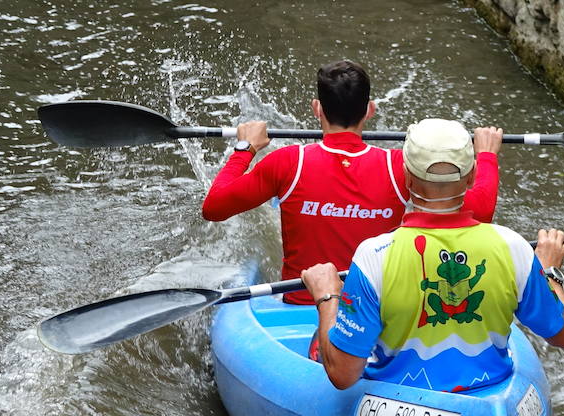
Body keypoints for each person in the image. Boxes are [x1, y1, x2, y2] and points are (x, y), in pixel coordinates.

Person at [300, 118, 564, 392]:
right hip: (485, 397)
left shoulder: (373, 256)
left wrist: (327, 296)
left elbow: (342, 374)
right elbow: (563, 335)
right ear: (471, 177)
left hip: (397, 404)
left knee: (319, 340)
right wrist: (549, 272)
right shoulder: (514, 246)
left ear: (406, 177)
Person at [202, 60, 503, 303]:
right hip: (372, 307)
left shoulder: (288, 162)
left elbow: (214, 207)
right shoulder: (399, 165)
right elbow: (479, 213)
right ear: (369, 110)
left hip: (302, 302)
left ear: (317, 108)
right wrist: (487, 156)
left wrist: (246, 148)